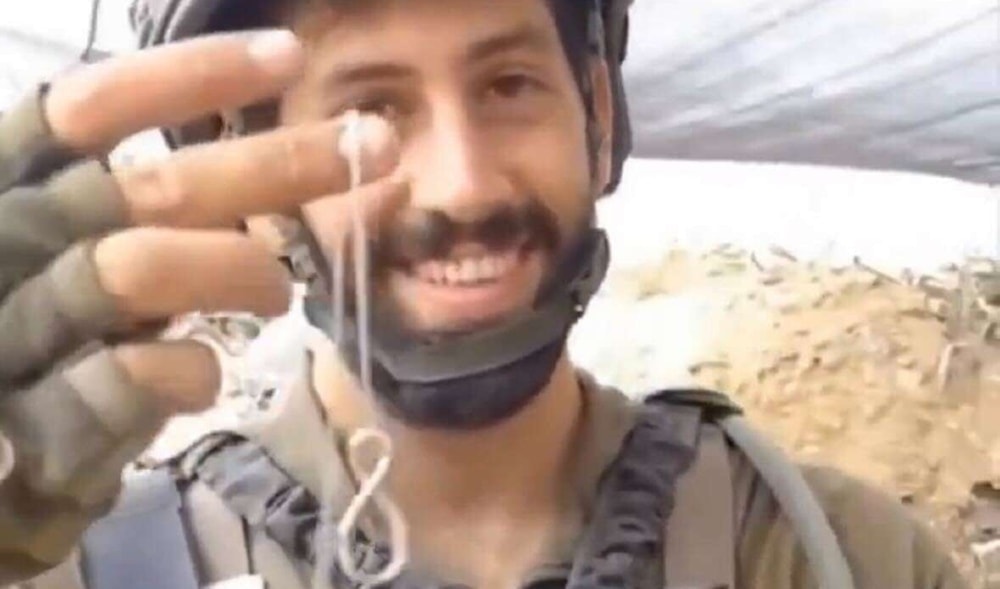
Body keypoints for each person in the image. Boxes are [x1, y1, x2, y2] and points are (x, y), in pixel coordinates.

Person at [0, 0, 969, 587]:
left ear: (593, 116)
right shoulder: (92, 566)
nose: (461, 184)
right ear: (243, 171)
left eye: (508, 86)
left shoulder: (836, 556)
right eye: (369, 110)